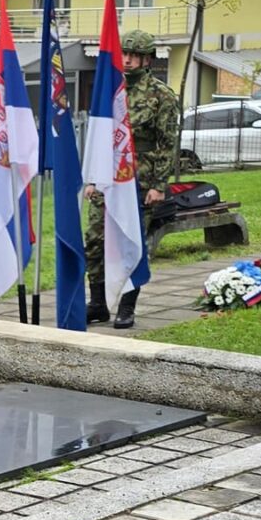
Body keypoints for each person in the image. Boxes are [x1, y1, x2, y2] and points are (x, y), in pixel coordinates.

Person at [83, 30, 181, 328]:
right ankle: (98, 303)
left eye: (134, 55)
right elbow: (98, 135)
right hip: (107, 176)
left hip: (140, 179)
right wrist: (91, 178)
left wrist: (158, 186)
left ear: (147, 58)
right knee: (95, 239)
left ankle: (127, 306)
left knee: (130, 240)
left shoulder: (160, 95)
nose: (127, 60)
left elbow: (167, 142)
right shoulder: (109, 90)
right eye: (123, 53)